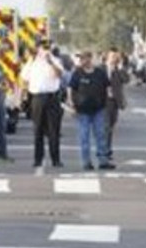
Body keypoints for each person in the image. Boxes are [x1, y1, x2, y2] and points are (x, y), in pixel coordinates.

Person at [69, 50, 113, 170]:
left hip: (98, 109)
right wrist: (72, 104)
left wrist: (109, 97)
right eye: (81, 59)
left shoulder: (99, 73)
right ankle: (86, 162)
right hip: (82, 111)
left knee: (100, 135)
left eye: (85, 58)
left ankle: (103, 161)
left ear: (90, 59)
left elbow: (107, 86)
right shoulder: (77, 73)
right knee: (84, 136)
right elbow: (70, 89)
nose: (82, 61)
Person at [23, 40, 64, 169]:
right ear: (38, 48)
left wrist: (50, 61)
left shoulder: (55, 60)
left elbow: (59, 74)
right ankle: (38, 159)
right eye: (43, 47)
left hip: (52, 98)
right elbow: (24, 78)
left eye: (48, 47)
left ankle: (55, 159)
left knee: (54, 131)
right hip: (38, 98)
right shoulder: (32, 62)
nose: (46, 50)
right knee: (38, 130)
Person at [103, 48, 129, 160]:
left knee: (111, 126)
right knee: (106, 127)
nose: (114, 59)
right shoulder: (101, 69)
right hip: (103, 101)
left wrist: (121, 67)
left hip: (115, 101)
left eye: (116, 57)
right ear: (107, 57)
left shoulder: (118, 70)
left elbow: (126, 80)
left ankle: (106, 148)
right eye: (112, 56)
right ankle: (105, 150)